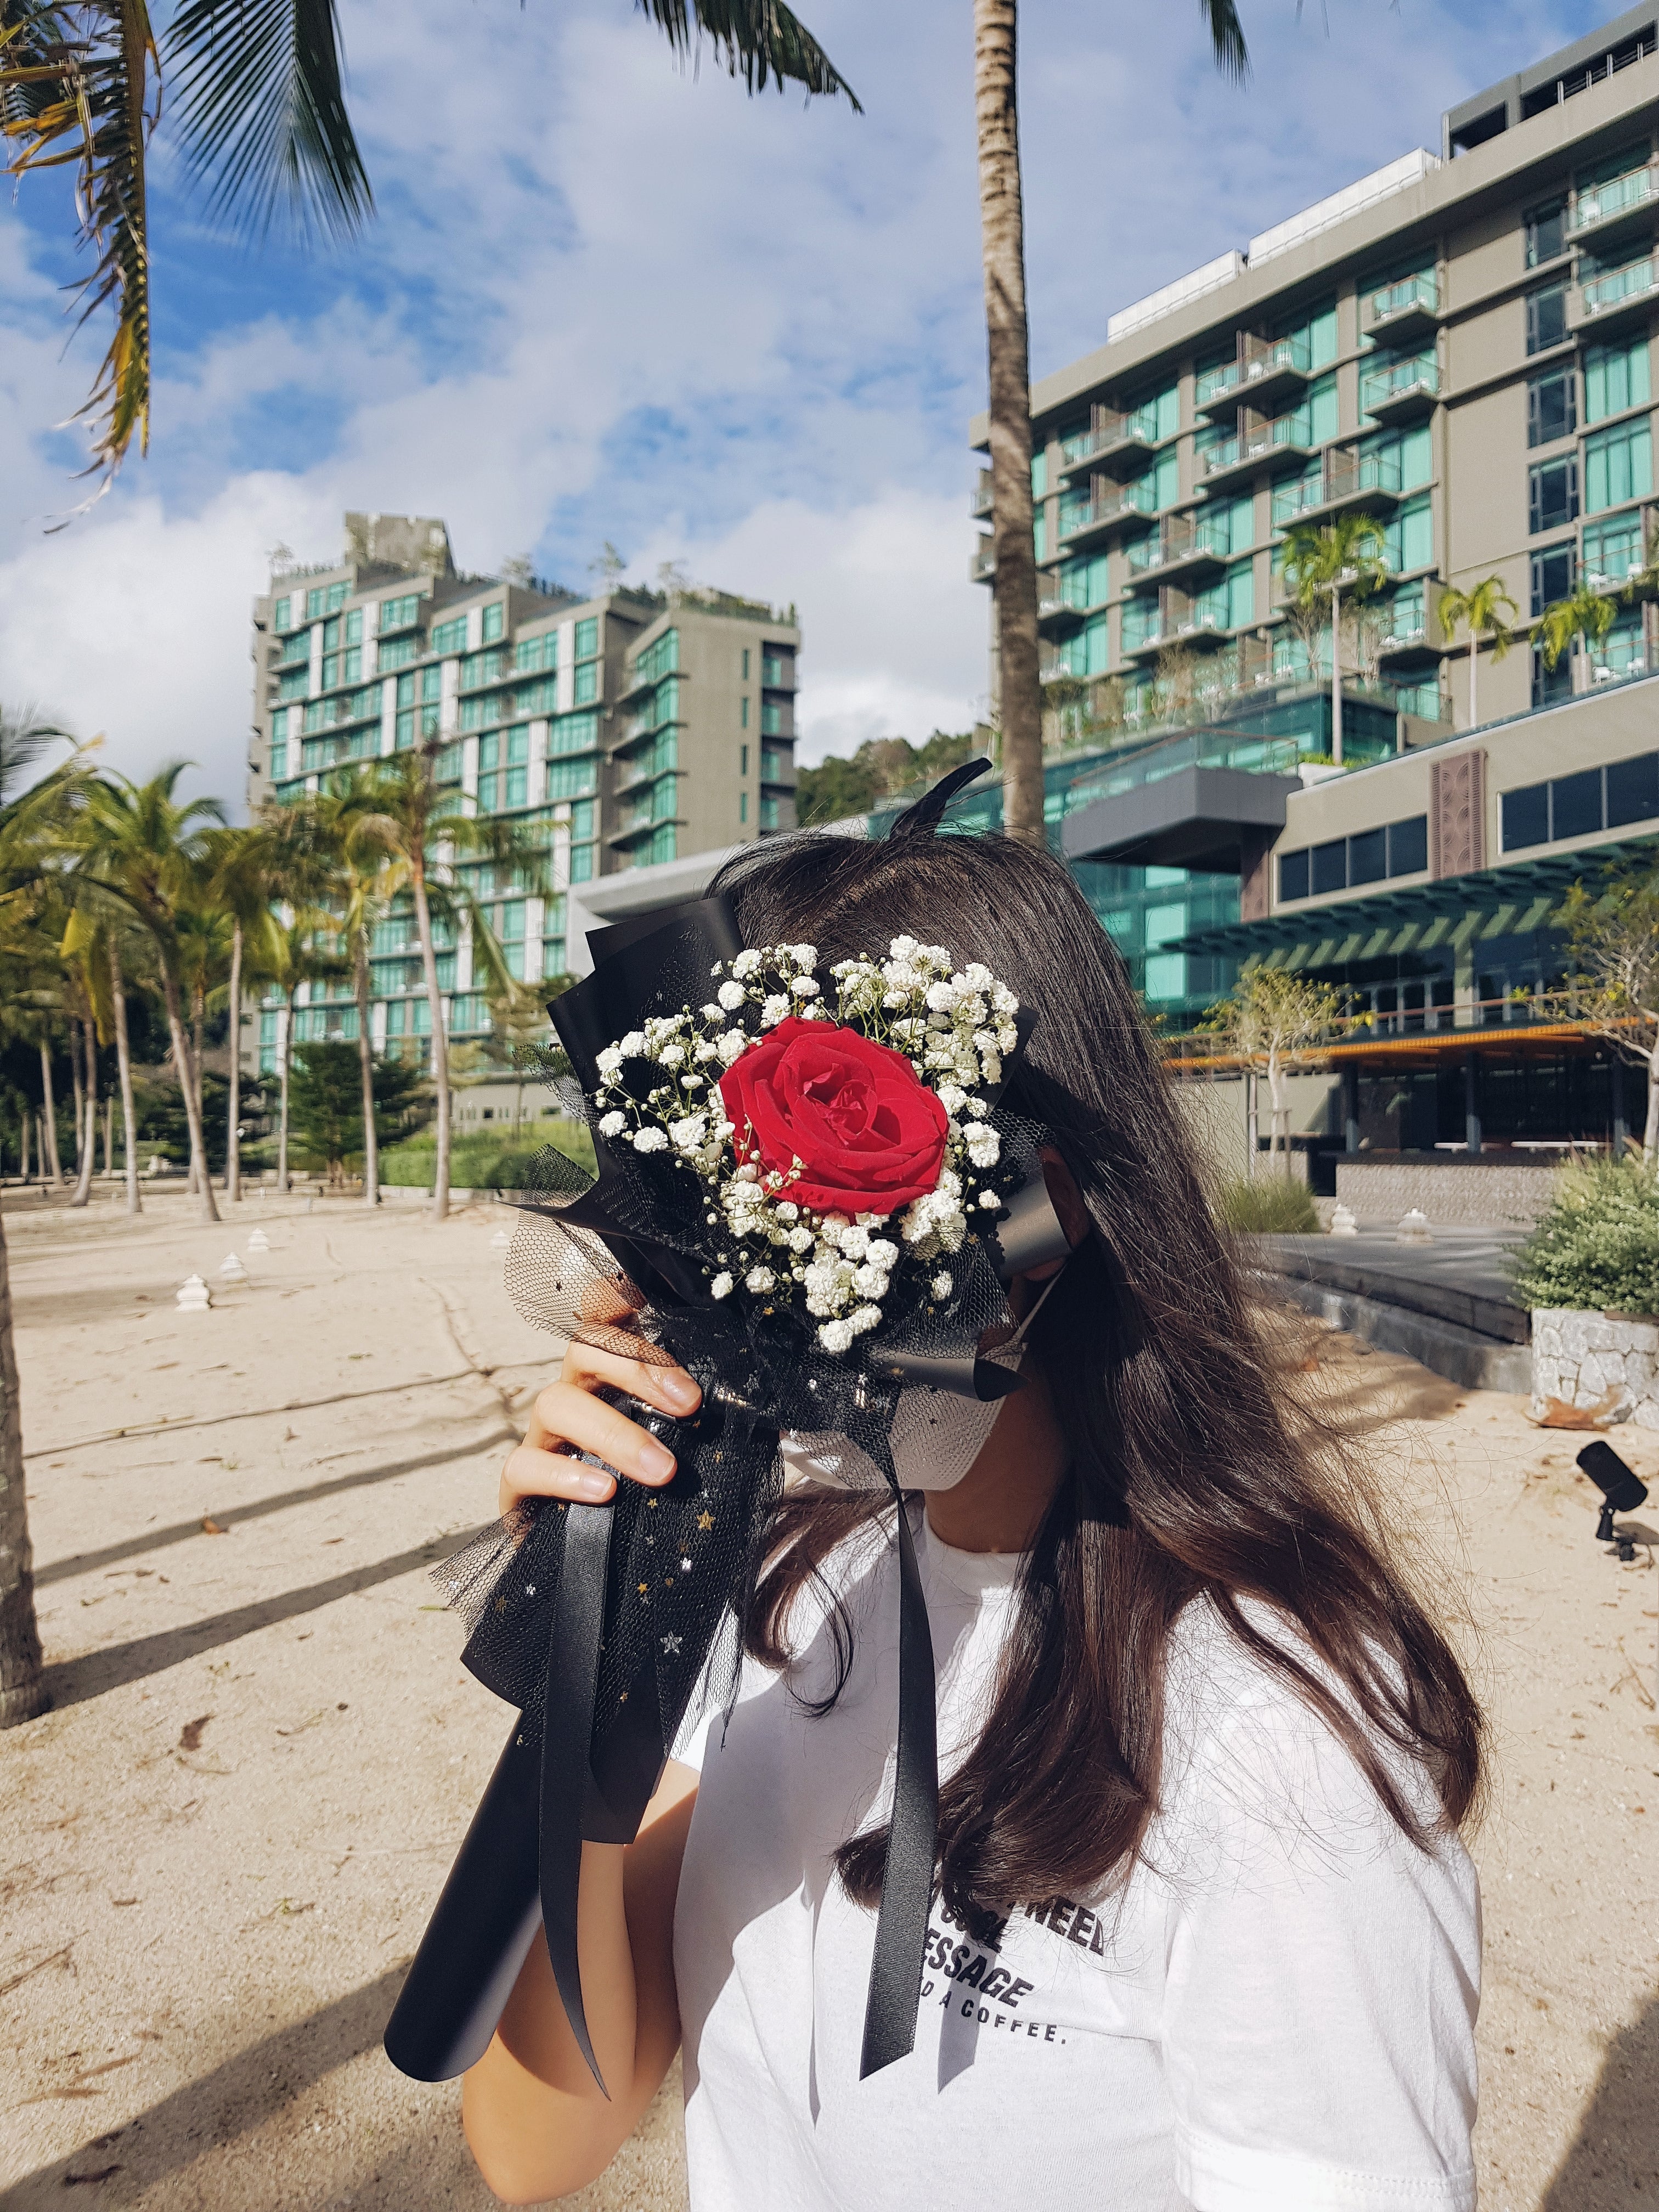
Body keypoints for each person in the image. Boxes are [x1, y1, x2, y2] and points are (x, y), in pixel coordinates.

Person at [460, 827, 1483, 2211]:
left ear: (1039, 1211)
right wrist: (599, 1642)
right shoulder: (789, 1579)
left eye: (789, 1235)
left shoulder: (1277, 1748)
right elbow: (535, 2152)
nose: (736, 1311)